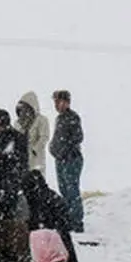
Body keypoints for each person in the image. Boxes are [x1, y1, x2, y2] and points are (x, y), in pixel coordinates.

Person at [22, 169, 80, 262]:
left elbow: (35, 223)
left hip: (50, 245)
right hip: (61, 242)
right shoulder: (51, 195)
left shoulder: (36, 200)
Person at [49, 89, 85, 232]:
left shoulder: (73, 117)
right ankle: (68, 218)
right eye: (55, 102)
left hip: (71, 159)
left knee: (72, 190)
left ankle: (76, 221)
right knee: (64, 189)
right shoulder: (59, 118)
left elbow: (78, 137)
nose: (56, 105)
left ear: (66, 102)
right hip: (60, 159)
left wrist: (65, 148)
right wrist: (52, 148)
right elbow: (57, 138)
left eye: (58, 101)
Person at [15, 91, 51, 178]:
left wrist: (35, 149)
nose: (23, 111)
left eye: (25, 108)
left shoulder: (41, 120)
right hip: (21, 158)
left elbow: (44, 136)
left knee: (37, 181)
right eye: (21, 108)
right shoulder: (18, 123)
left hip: (35, 158)